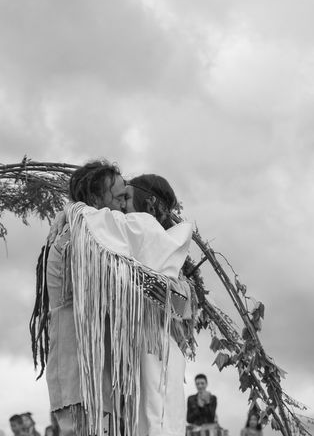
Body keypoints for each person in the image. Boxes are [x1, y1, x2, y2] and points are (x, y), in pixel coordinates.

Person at [30, 160, 193, 436]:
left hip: (105, 384)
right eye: (119, 198)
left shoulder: (99, 240)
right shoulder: (76, 241)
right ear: (95, 199)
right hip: (82, 381)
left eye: (126, 198)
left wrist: (173, 287)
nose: (122, 208)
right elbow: (121, 280)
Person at [125, 174, 196, 436]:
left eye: (127, 198)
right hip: (136, 351)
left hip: (155, 348)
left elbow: (180, 309)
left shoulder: (170, 259)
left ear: (150, 204)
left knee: (158, 419)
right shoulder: (124, 240)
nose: (122, 205)